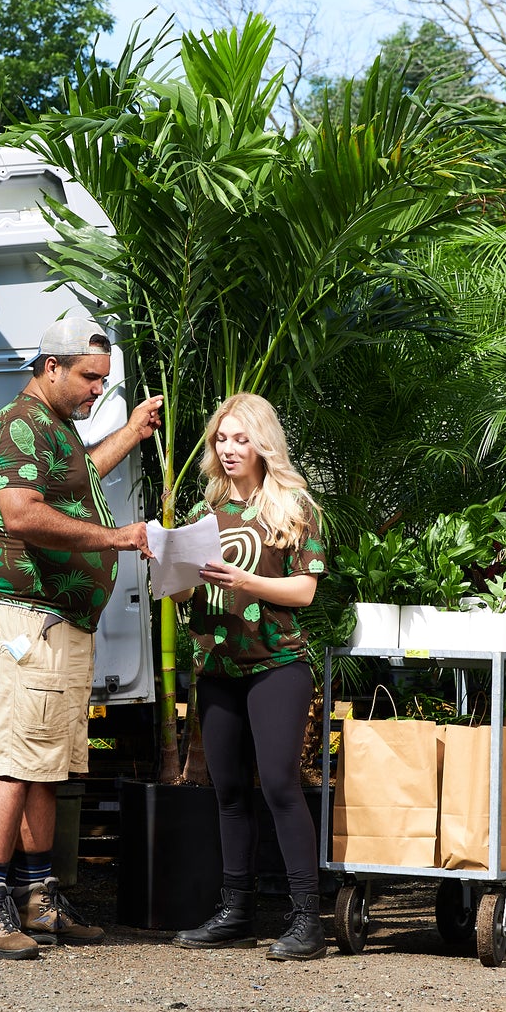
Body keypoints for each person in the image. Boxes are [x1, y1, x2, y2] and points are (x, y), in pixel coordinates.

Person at [0, 318, 161, 959]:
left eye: (104, 380)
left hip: (60, 622)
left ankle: (37, 898)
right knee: (13, 763)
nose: (97, 390)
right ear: (51, 366)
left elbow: (77, 483)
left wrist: (130, 433)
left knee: (47, 767)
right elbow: (20, 513)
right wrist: (115, 538)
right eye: (88, 378)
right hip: (23, 621)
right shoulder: (16, 424)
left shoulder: (58, 430)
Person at [172, 393, 328, 962]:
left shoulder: (291, 508)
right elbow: (186, 590)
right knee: (228, 790)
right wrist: (173, 573)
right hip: (216, 667)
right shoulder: (204, 516)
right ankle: (236, 910)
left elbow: (305, 591)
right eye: (222, 439)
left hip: (277, 664)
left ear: (263, 444)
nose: (229, 448)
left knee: (281, 785)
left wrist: (246, 582)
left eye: (241, 439)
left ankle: (307, 919)